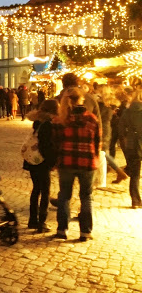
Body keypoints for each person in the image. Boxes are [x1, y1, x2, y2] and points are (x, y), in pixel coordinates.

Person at [51, 87, 101, 241]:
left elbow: (56, 143)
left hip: (67, 161)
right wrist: (96, 158)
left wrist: (56, 160)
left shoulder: (63, 120)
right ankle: (85, 232)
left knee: (64, 195)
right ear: (82, 100)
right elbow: (98, 141)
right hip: (87, 162)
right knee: (86, 196)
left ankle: (62, 230)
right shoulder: (92, 119)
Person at [23, 100, 58, 232]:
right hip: (41, 162)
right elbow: (45, 146)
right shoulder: (47, 124)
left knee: (36, 189)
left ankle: (32, 220)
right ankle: (41, 222)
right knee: (45, 191)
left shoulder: (37, 122)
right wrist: (52, 162)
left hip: (32, 161)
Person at [118, 87, 142, 208]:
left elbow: (121, 129)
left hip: (132, 144)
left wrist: (125, 141)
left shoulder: (127, 111)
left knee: (135, 174)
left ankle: (136, 200)